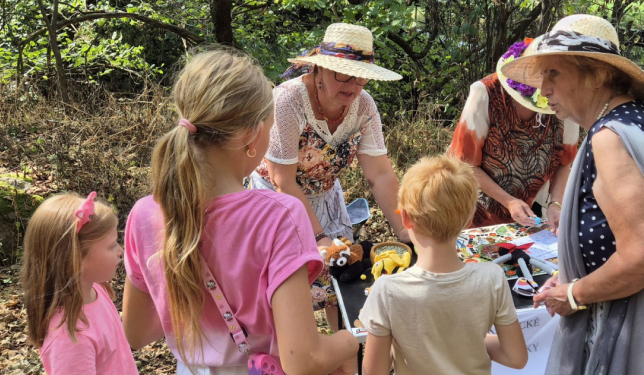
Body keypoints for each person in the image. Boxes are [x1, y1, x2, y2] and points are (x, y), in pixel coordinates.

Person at [120, 49, 358, 375]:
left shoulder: (143, 214)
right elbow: (303, 360)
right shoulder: (281, 217)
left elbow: (136, 332)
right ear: (252, 135)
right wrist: (351, 340)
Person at [502, 15, 644, 374]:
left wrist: (574, 294)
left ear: (598, 74)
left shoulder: (610, 138)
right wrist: (577, 276)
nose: (543, 89)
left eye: (553, 73)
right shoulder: (638, 118)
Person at [249, 23, 408, 328]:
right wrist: (320, 238)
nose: (353, 84)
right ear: (319, 69)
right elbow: (283, 180)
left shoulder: (364, 106)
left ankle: (345, 349)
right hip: (277, 202)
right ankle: (294, 355)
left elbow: (381, 174)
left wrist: (404, 228)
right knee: (289, 286)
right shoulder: (288, 101)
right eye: (342, 73)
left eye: (360, 75)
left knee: (342, 275)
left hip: (326, 197)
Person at [360, 156, 528, 374]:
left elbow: (374, 372)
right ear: (468, 220)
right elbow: (516, 358)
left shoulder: (386, 291)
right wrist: (471, 341)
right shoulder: (492, 278)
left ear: (407, 219)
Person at [447, 36, 578, 230]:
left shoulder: (565, 102)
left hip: (527, 213)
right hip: (473, 208)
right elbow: (464, 163)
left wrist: (555, 204)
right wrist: (509, 201)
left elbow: (564, 164)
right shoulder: (485, 94)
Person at [21, 192, 138, 375]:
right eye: (112, 245)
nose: (121, 251)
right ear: (76, 257)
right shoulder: (70, 338)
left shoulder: (96, 289)